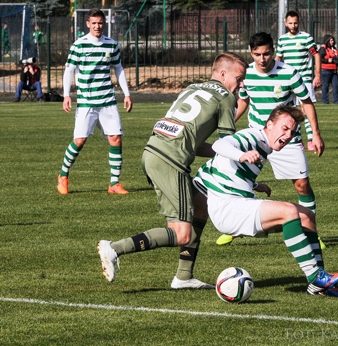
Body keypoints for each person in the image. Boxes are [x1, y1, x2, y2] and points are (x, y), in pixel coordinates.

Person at [97, 52, 248, 288]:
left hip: (153, 152)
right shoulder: (226, 98)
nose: (241, 85)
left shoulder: (193, 88)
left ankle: (184, 276)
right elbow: (228, 144)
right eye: (239, 79)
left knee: (201, 206)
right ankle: (115, 248)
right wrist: (247, 181)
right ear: (222, 74)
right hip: (171, 161)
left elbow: (198, 144)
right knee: (182, 234)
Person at [198, 105, 338, 298]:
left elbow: (226, 171)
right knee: (288, 211)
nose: (288, 135)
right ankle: (314, 276)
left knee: (306, 215)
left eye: (292, 132)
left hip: (238, 204)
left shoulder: (265, 146)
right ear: (269, 125)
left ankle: (320, 283)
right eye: (284, 129)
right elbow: (219, 146)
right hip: (228, 210)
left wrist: (254, 184)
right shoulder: (253, 136)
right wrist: (241, 155)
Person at [215, 32, 324, 247]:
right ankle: (237, 228)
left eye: (266, 54)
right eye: (257, 54)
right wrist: (229, 124)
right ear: (251, 53)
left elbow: (306, 102)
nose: (262, 59)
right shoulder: (246, 74)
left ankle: (311, 232)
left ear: (273, 51)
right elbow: (244, 102)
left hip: (286, 138)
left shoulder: (290, 73)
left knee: (302, 186)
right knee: (239, 182)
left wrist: (316, 134)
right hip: (258, 137)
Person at [57, 8, 133, 195]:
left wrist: (127, 94)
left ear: (104, 23)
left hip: (107, 100)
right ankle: (63, 175)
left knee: (115, 138)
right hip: (86, 102)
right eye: (94, 23)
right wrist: (67, 95)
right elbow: (69, 70)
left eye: (100, 23)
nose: (97, 26)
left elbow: (118, 68)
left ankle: (114, 183)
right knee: (79, 140)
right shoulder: (79, 45)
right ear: (88, 24)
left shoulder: (111, 44)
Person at [275, 10, 321, 152]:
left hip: (304, 78)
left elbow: (316, 55)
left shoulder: (306, 38)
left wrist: (317, 74)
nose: (293, 26)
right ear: (285, 23)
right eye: (290, 23)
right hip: (289, 80)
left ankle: (312, 139)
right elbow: (278, 59)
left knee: (306, 109)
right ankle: (298, 139)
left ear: (299, 22)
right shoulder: (282, 40)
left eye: (295, 23)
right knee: (292, 110)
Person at [319, 34, 338, 104]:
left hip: (334, 71)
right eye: (330, 40)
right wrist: (327, 60)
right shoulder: (323, 49)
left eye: (333, 40)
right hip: (325, 70)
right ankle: (325, 101)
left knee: (336, 85)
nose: (332, 42)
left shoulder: (335, 49)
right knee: (325, 86)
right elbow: (320, 59)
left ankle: (336, 101)